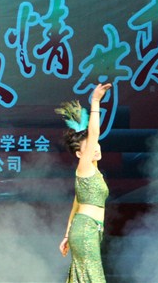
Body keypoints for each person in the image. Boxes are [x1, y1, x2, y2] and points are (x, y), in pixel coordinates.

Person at [57, 83, 112, 283]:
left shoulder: (92, 173)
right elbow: (94, 133)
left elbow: (76, 203)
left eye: (95, 144)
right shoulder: (84, 168)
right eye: (89, 146)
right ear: (80, 154)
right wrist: (95, 101)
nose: (95, 147)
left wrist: (67, 234)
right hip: (86, 229)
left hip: (88, 230)